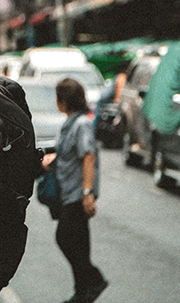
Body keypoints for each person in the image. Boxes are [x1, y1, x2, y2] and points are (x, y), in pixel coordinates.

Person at [42, 78, 108, 303]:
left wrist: (87, 193)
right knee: (78, 242)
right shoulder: (70, 123)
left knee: (65, 237)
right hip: (68, 192)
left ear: (64, 100)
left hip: (77, 194)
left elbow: (88, 156)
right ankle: (82, 292)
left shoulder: (81, 124)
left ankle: (94, 280)